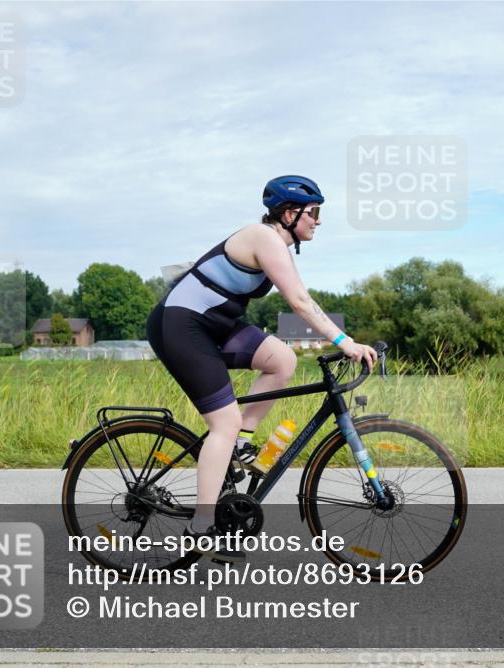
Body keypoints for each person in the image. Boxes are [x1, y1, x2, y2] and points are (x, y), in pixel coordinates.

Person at [145, 175, 378, 562]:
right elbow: (300, 301)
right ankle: (202, 526)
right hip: (182, 327)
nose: (317, 221)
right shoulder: (263, 237)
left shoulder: (277, 243)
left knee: (282, 359)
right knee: (224, 422)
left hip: (213, 325)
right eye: (313, 212)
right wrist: (345, 342)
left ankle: (238, 445)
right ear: (289, 214)